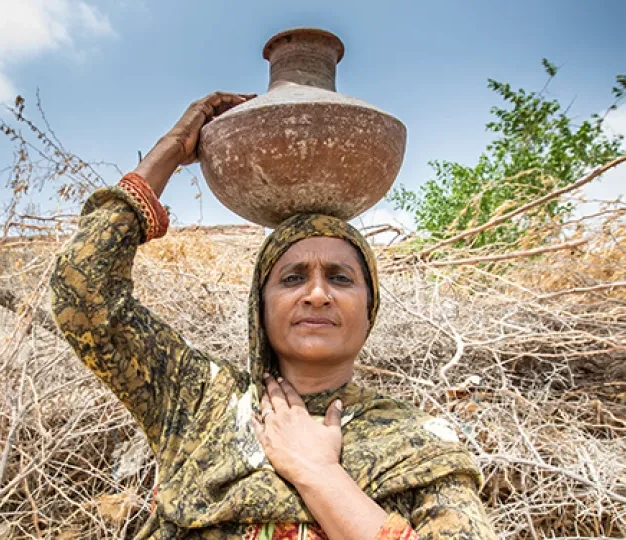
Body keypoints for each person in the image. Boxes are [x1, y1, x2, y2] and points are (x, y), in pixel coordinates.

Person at [50, 92, 496, 539]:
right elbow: (83, 291)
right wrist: (171, 149)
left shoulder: (416, 443)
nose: (317, 294)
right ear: (259, 307)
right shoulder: (200, 401)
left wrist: (318, 472)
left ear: (369, 307)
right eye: (292, 278)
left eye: (340, 279)